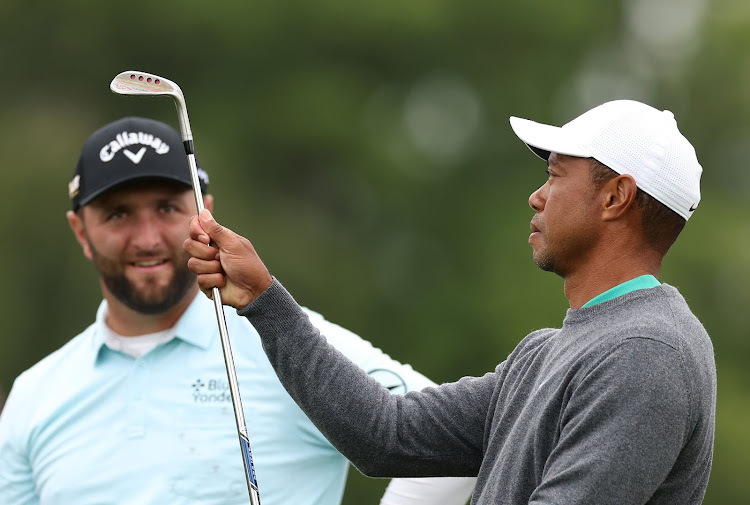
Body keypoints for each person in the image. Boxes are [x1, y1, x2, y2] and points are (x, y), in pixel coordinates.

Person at [183, 100, 717, 505]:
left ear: (615, 196)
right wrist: (262, 297)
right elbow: (385, 436)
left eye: (554, 174)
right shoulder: (545, 353)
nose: (537, 195)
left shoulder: (647, 353)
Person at [0, 117, 476, 505]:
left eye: (166, 208)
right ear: (81, 231)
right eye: (119, 214)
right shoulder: (35, 396)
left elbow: (452, 448)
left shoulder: (288, 343)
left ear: (204, 213)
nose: (146, 239)